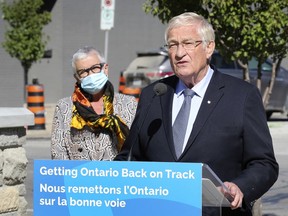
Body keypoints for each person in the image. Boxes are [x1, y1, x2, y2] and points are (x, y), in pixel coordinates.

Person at [115, 12, 278, 215]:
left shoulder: (241, 96)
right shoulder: (153, 95)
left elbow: (264, 164)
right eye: (172, 45)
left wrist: (241, 187)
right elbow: (129, 157)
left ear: (209, 47)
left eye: (188, 43)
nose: (179, 53)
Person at [51, 46, 137, 161]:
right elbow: (58, 153)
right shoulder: (64, 107)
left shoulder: (128, 104)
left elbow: (137, 149)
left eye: (95, 68)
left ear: (105, 69)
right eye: (83, 72)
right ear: (77, 77)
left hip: (117, 176)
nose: (90, 75)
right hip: (79, 176)